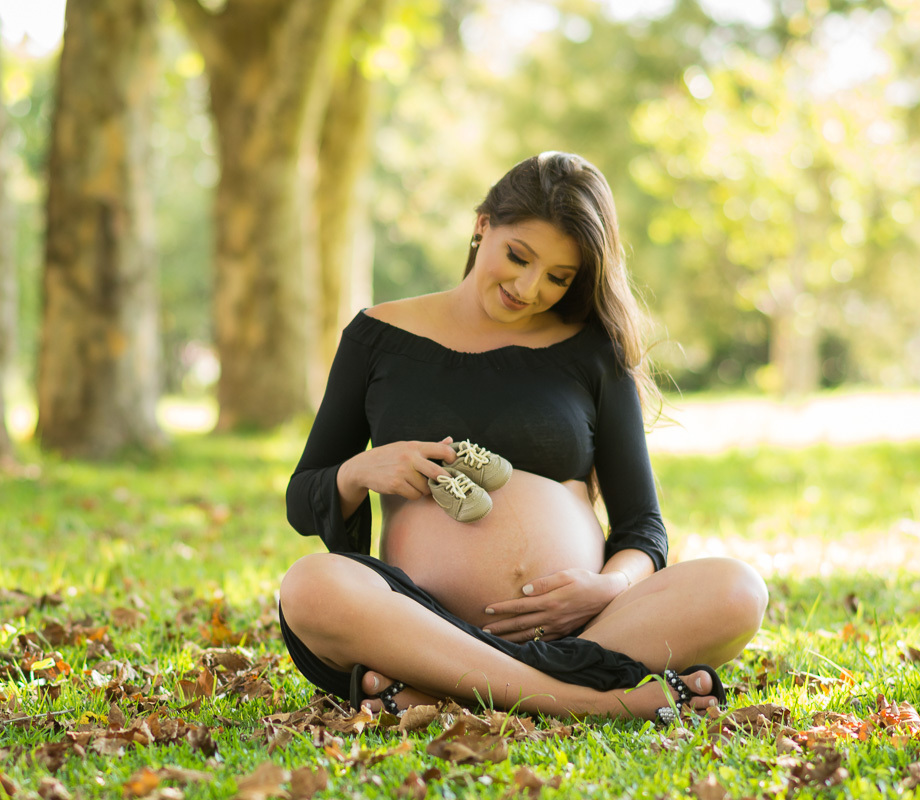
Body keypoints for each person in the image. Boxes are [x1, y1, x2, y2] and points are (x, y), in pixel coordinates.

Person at [277, 152, 768, 721]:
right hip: (424, 625)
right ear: (483, 223)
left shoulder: (592, 352)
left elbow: (643, 527)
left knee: (738, 590)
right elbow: (302, 500)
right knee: (311, 586)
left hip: (582, 630)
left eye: (559, 278)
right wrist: (361, 470)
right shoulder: (377, 336)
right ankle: (593, 702)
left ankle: (448, 691)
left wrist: (607, 587)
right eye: (519, 257)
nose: (529, 288)